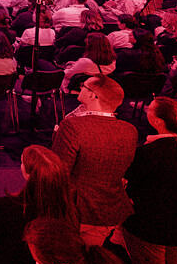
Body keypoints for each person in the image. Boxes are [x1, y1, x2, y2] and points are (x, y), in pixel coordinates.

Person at [122, 98, 177, 264]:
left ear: (158, 121)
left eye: (150, 109)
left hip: (149, 225)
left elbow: (131, 184)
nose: (146, 111)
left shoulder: (148, 153)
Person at [51, 75, 137, 246]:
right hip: (111, 209)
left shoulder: (73, 126)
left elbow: (58, 171)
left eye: (83, 86)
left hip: (79, 211)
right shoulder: (130, 130)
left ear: (93, 95)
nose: (80, 88)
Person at [0, 145, 76, 264]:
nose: (20, 165)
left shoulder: (6, 206)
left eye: (22, 162)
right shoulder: (65, 205)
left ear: (29, 174)